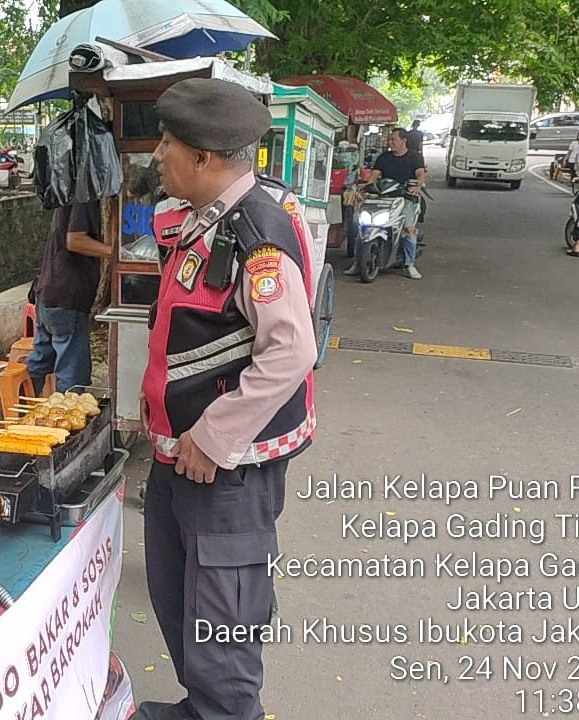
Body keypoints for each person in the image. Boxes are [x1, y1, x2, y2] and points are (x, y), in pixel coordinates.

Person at [135, 77, 317, 720]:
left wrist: (213, 438)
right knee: (180, 601)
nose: (158, 154)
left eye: (168, 143)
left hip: (226, 468)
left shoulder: (257, 233)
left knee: (222, 627)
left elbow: (291, 353)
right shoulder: (204, 221)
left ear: (206, 157)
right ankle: (201, 708)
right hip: (178, 458)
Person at [26, 198, 111, 394]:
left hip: (48, 291)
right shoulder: (85, 195)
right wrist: (116, 251)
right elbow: (75, 240)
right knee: (72, 375)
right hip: (67, 295)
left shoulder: (69, 191)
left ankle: (16, 408)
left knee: (40, 361)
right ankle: (65, 419)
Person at [346, 127, 426, 279]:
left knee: (408, 229)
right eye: (390, 140)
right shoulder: (384, 157)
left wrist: (417, 185)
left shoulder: (415, 157)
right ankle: (357, 262)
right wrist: (366, 186)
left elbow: (420, 174)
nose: (390, 142)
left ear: (404, 140)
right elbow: (374, 176)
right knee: (362, 227)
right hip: (383, 196)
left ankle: (409, 264)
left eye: (393, 139)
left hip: (405, 198)